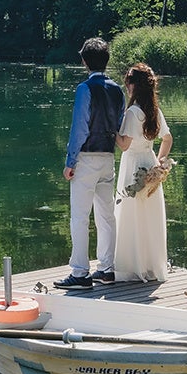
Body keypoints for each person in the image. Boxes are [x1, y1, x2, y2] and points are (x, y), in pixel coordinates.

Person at [58, 37, 124, 290]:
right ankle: (106, 269)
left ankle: (80, 272)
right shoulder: (117, 90)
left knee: (80, 217)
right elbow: (118, 125)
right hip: (107, 156)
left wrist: (70, 161)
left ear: (84, 61)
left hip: (86, 157)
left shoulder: (84, 89)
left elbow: (80, 128)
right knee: (106, 216)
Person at [112, 62, 172, 283]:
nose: (126, 86)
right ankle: (150, 265)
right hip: (150, 163)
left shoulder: (133, 112)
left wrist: (110, 129)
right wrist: (160, 161)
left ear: (134, 86)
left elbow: (124, 145)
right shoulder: (153, 111)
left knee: (131, 212)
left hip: (133, 165)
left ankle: (131, 266)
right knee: (148, 215)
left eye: (128, 82)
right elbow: (167, 139)